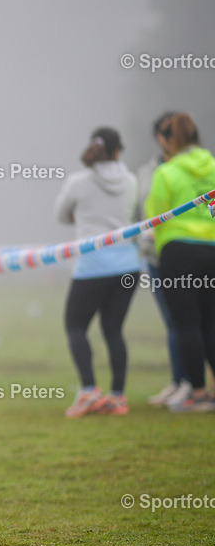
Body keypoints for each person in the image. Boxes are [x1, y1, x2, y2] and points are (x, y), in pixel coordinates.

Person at [55, 128, 140, 417]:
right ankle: (118, 396)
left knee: (76, 326)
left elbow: (60, 214)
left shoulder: (79, 182)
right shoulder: (131, 181)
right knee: (114, 330)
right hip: (128, 264)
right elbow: (137, 217)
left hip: (91, 265)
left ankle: (89, 391)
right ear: (118, 151)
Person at [145, 112, 215, 413]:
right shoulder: (212, 166)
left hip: (178, 252)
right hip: (212, 248)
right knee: (211, 323)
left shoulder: (166, 172)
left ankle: (197, 394)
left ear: (168, 140)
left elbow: (155, 216)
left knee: (186, 326)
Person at [136, 112, 189, 408]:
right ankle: (179, 381)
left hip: (190, 254)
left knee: (194, 322)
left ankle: (194, 385)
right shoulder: (148, 172)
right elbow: (140, 211)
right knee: (173, 322)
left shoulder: (197, 168)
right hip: (156, 258)